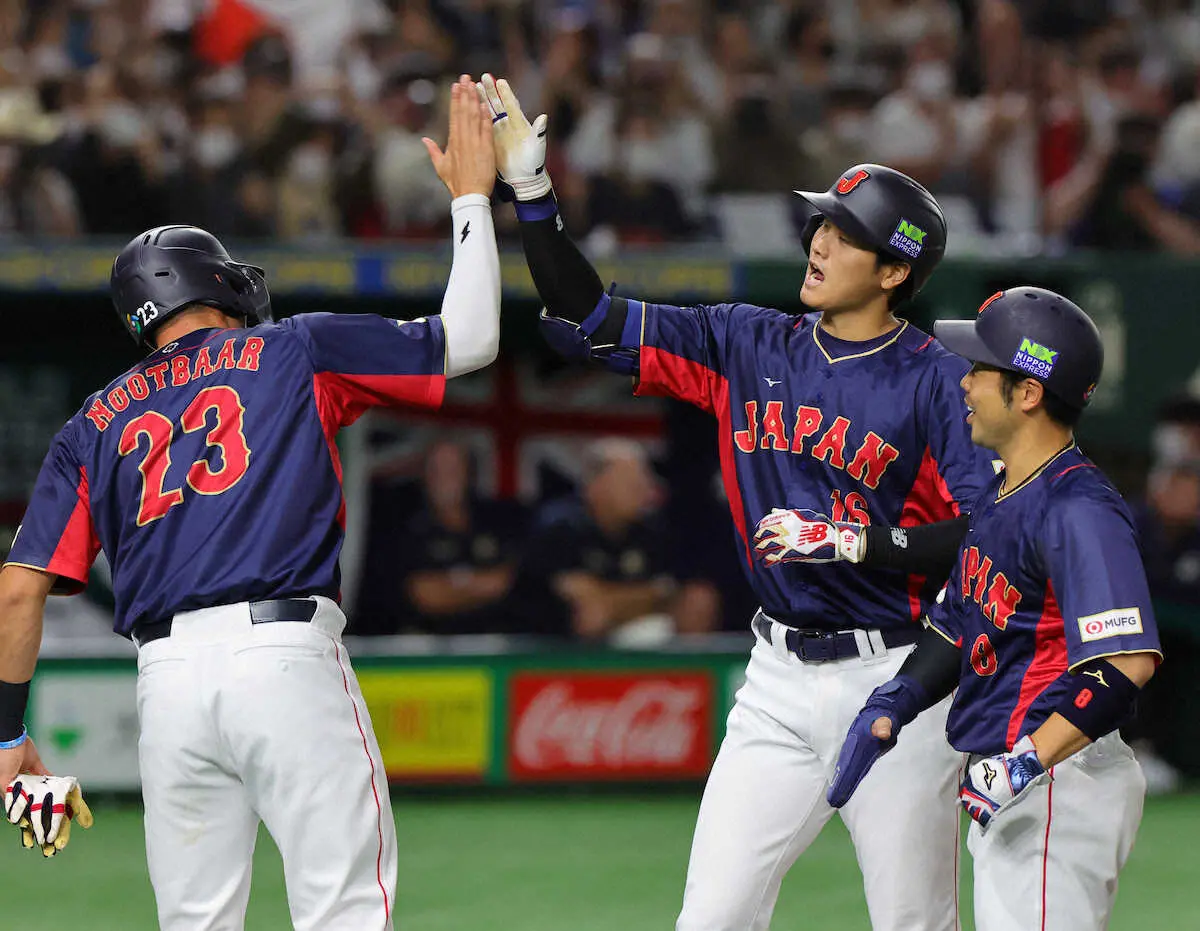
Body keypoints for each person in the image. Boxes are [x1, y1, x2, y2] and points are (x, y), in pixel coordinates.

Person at [478, 74, 998, 931]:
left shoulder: (940, 383)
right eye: (821, 224)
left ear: (895, 270)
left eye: (846, 234)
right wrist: (532, 192)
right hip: (776, 681)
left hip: (898, 678)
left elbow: (991, 532)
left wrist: (856, 543)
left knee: (913, 922)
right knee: (710, 918)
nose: (819, 242)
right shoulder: (745, 341)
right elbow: (591, 317)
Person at [0, 75, 498, 930]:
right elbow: (475, 337)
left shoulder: (91, 424)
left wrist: (8, 737)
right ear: (217, 286)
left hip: (166, 687)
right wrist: (472, 203)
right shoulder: (291, 348)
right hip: (282, 657)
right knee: (343, 910)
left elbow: (17, 589)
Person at [781, 287, 1162, 930]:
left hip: (1057, 777)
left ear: (1029, 392)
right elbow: (961, 617)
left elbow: (1126, 662)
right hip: (1017, 779)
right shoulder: (1005, 490)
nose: (965, 382)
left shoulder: (1079, 509)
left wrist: (1027, 762)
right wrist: (896, 700)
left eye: (982, 368)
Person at [508, 438, 716, 643]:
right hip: (548, 643)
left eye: (643, 481)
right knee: (594, 616)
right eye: (629, 482)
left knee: (698, 600)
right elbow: (584, 603)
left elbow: (670, 589)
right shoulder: (560, 527)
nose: (642, 489)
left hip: (633, 627)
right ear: (595, 485)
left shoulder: (652, 527)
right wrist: (646, 597)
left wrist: (614, 600)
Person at [399, 439, 521, 635]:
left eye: (452, 469)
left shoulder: (494, 521)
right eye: (436, 470)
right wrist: (479, 585)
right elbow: (425, 595)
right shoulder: (410, 528)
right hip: (430, 641)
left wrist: (451, 585)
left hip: (492, 638)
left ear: (469, 474)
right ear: (424, 476)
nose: (445, 478)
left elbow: (503, 583)